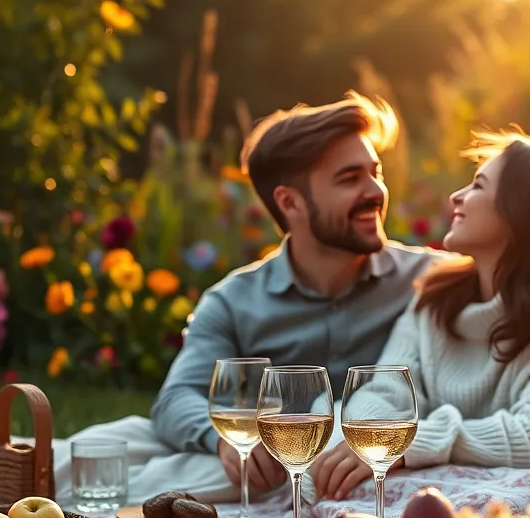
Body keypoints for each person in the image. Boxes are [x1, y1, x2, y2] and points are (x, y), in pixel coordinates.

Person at [312, 130, 530, 501]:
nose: (456, 197)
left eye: (478, 186)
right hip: (461, 470)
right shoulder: (434, 297)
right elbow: (384, 390)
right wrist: (371, 434)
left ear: (523, 214)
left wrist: (411, 440)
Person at [150, 91, 441, 496]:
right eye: (349, 178)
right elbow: (176, 398)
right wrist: (221, 441)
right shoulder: (232, 302)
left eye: (376, 173)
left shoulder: (431, 279)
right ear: (290, 202)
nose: (375, 191)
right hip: (275, 492)